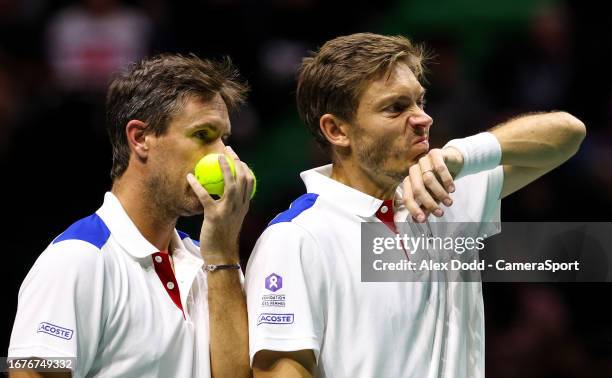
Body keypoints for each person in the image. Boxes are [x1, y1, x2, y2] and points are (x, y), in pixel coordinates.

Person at [245, 33, 586, 377]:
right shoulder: (297, 238)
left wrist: (462, 155)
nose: (423, 119)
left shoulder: (447, 191)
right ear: (337, 130)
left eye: (420, 102)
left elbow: (568, 134)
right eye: (396, 108)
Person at [8, 54, 254, 377]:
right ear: (140, 139)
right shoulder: (77, 261)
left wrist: (223, 255)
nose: (225, 156)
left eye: (224, 139)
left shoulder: (214, 263)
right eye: (203, 135)